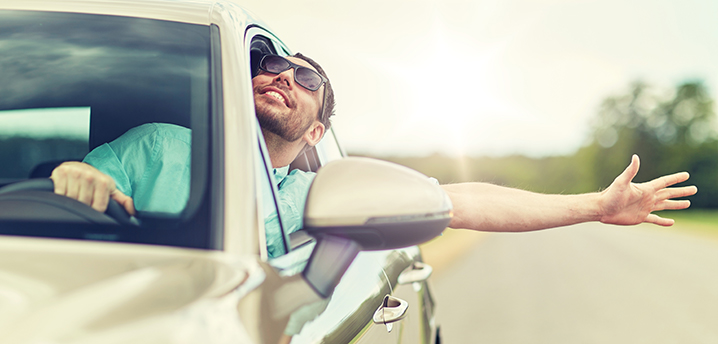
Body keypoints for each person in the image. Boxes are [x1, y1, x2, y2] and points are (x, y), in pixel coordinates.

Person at [50, 52, 698, 241]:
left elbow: (463, 200)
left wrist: (594, 205)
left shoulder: (313, 195)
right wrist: (78, 181)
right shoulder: (158, 145)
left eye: (306, 79)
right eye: (269, 62)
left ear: (315, 133)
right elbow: (78, 176)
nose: (280, 73)